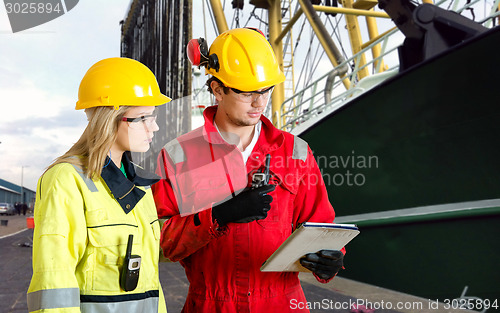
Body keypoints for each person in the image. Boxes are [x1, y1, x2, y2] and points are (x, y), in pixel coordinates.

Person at [152, 28, 345, 313]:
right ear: (217, 89)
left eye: (265, 90)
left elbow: (322, 226)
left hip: (282, 302)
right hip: (211, 303)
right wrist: (219, 216)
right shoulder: (178, 155)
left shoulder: (295, 151)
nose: (259, 102)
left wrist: (330, 261)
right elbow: (164, 240)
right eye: (246, 93)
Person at [27, 57, 171, 313]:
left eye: (154, 116)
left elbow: (155, 256)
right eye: (143, 118)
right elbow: (54, 284)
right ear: (110, 119)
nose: (155, 127)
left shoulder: (140, 185)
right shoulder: (67, 180)